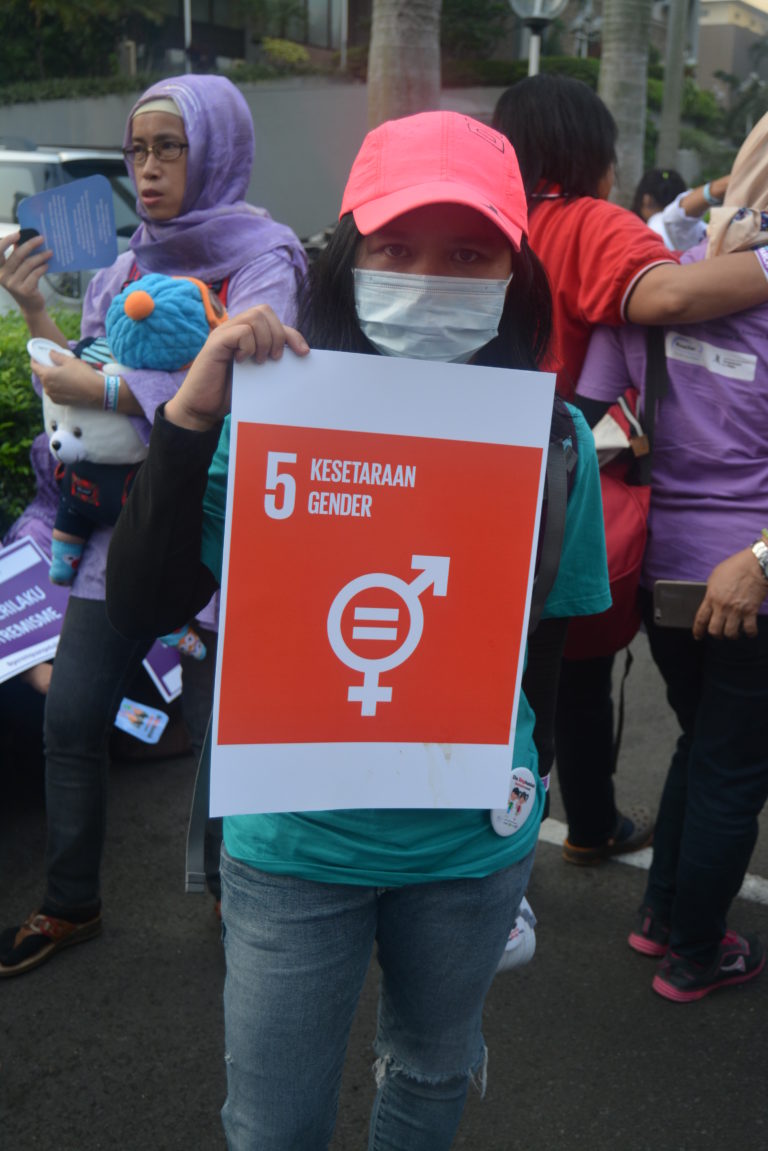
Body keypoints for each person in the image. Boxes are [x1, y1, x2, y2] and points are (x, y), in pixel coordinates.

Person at [104, 110, 610, 1150]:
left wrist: (523, 795)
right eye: (396, 247)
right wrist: (193, 413)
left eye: (468, 254)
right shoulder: (273, 419)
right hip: (296, 841)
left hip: (471, 848)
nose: (428, 277)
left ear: (514, 275)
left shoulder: (554, 440)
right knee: (273, 1123)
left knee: (432, 1070)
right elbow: (145, 603)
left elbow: (544, 654)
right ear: (348, 258)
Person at [0, 73, 307, 977]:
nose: (147, 169)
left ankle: (233, 895)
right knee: (72, 716)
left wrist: (108, 391)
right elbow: (83, 377)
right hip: (118, 535)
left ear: (215, 150)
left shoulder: (267, 259)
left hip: (221, 532)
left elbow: (255, 379)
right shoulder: (127, 264)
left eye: (168, 147)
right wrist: (33, 310)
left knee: (223, 736)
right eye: (137, 150)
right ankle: (71, 902)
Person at [492, 74, 768, 866]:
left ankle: (515, 856)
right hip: (565, 496)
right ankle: (572, 834)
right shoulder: (591, 223)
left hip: (485, 477)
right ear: (594, 156)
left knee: (495, 682)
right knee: (568, 677)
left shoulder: (498, 227)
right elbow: (669, 298)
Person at [574, 109, 768, 1001]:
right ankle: (696, 949)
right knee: (734, 765)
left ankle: (661, 912)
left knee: (704, 741)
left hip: (662, 570)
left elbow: (584, 423)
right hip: (751, 576)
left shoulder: (648, 295)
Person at [631, 167, 730, 251]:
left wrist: (725, 185)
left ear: (647, 199)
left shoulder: (663, 221)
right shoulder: (702, 227)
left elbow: (678, 211)